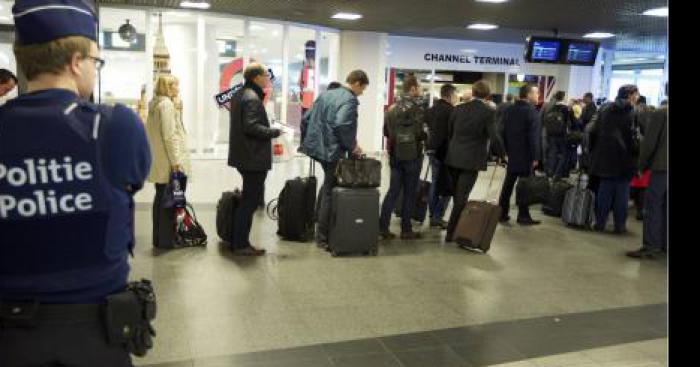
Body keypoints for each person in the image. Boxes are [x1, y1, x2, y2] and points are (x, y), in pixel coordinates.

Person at [0, 0, 152, 365]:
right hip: (95, 334)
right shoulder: (115, 126)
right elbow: (131, 181)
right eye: (95, 62)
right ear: (75, 62)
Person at [300, 70, 368, 249]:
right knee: (330, 190)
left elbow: (306, 119)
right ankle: (322, 237)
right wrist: (352, 146)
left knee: (327, 185)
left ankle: (318, 219)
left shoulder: (326, 94)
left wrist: (309, 142)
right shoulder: (350, 99)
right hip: (332, 151)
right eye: (363, 88)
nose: (362, 93)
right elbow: (341, 124)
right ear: (357, 83)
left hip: (318, 149)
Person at [228, 63, 282, 256]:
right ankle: (240, 244)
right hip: (252, 157)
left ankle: (237, 240)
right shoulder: (252, 98)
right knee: (249, 202)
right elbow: (251, 126)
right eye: (266, 75)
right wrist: (274, 132)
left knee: (248, 200)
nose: (268, 78)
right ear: (256, 77)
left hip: (244, 155)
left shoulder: (240, 94)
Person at [444, 80, 505, 243]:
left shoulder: (458, 108)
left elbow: (450, 131)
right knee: (461, 197)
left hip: (453, 157)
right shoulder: (489, 112)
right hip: (471, 160)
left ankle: (454, 229)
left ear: (473, 92)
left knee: (458, 196)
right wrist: (502, 154)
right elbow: (494, 136)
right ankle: (452, 233)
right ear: (487, 95)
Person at [379, 74, 428, 240]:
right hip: (412, 156)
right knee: (409, 193)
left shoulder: (392, 108)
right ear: (413, 89)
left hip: (395, 155)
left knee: (392, 191)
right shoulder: (418, 108)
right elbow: (420, 133)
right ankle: (406, 230)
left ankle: (383, 227)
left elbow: (385, 132)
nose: (421, 90)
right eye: (420, 87)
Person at [145, 74, 191, 248]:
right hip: (168, 162)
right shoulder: (166, 106)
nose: (178, 89)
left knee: (160, 199)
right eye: (175, 86)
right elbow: (170, 135)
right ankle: (167, 240)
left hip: (159, 160)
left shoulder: (155, 104)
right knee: (169, 203)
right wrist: (176, 162)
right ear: (168, 88)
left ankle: (159, 239)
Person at [589, 85, 640, 234]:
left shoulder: (605, 109)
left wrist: (594, 152)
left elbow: (593, 131)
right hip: (624, 160)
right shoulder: (633, 112)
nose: (637, 98)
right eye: (636, 95)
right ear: (630, 95)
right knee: (622, 195)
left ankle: (599, 223)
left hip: (604, 158)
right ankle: (619, 226)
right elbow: (635, 139)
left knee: (604, 191)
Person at [627, 88, 667, 259]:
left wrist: (641, 166)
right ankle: (664, 244)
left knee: (653, 207)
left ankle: (651, 246)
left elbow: (649, 143)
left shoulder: (661, 114)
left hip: (661, 168)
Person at [497, 84, 542, 225]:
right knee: (524, 185)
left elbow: (501, 131)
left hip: (511, 153)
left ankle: (502, 213)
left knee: (508, 185)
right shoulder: (531, 112)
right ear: (528, 95)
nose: (538, 95)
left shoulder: (509, 109)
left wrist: (503, 152)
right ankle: (523, 215)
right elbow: (533, 137)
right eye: (536, 93)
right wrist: (536, 157)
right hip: (526, 155)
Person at [425, 83, 458, 228]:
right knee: (448, 186)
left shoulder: (431, 110)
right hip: (445, 152)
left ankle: (433, 214)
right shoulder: (452, 111)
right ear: (450, 95)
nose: (457, 97)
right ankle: (437, 216)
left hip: (431, 150)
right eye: (456, 94)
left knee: (434, 182)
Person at [543, 91, 572, 179]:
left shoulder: (551, 107)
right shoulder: (566, 108)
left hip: (551, 134)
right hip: (562, 135)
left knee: (552, 153)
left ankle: (550, 172)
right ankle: (558, 173)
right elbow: (570, 122)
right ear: (563, 97)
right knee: (563, 154)